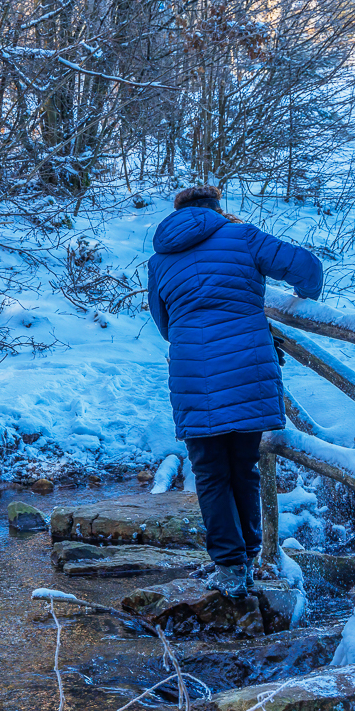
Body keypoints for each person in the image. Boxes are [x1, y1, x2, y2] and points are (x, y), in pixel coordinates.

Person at [146, 185, 324, 598]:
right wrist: (303, 299)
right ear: (215, 209)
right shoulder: (242, 235)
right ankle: (249, 556)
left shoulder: (159, 260)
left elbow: (165, 324)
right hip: (247, 367)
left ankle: (229, 570)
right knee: (244, 467)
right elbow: (307, 269)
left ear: (177, 213)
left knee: (210, 473)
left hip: (192, 374)